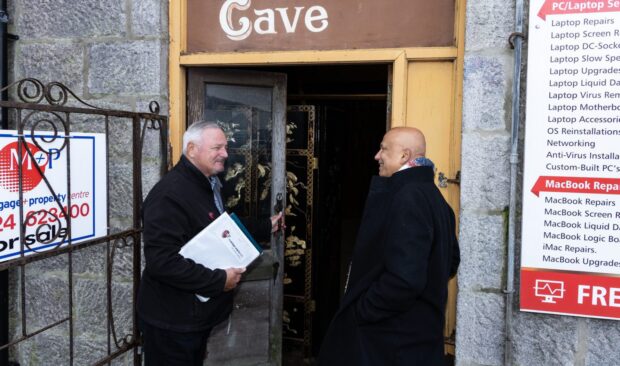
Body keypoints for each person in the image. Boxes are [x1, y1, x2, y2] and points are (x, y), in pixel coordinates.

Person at [137, 121, 283, 365]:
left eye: (225, 147)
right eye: (217, 148)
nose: (225, 154)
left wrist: (265, 225)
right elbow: (161, 262)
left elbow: (220, 228)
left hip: (191, 319)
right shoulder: (169, 195)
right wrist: (219, 280)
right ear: (192, 149)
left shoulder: (207, 184)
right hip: (172, 323)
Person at [318, 127, 460, 366]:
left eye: (383, 148)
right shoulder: (435, 197)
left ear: (404, 156)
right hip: (418, 339)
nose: (377, 156)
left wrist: (362, 311)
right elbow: (451, 263)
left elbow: (405, 280)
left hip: (394, 343)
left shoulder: (408, 196)